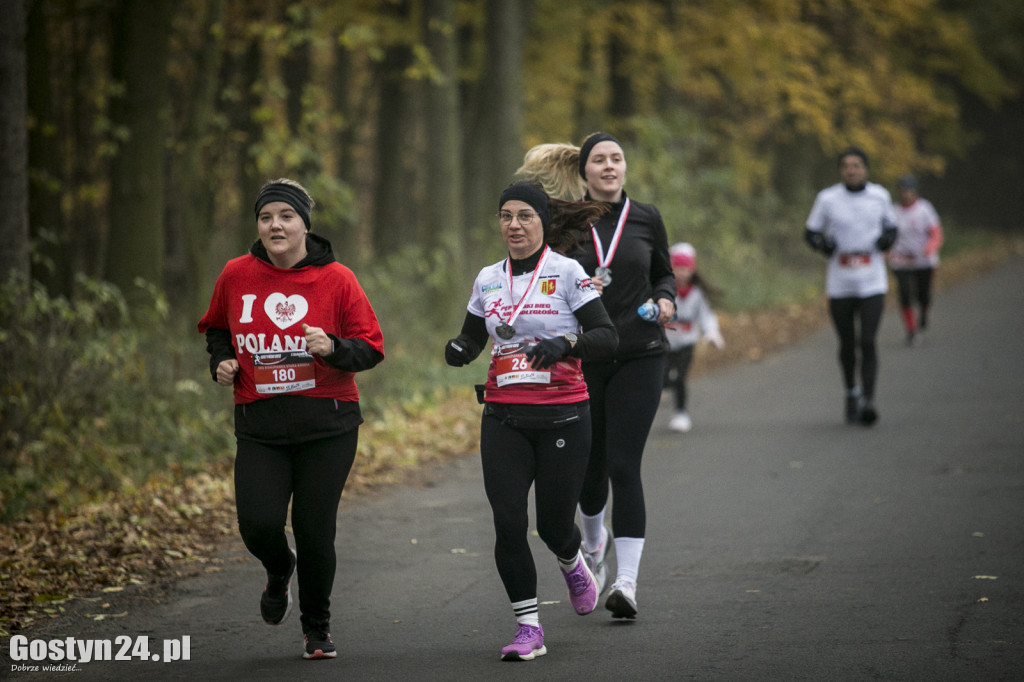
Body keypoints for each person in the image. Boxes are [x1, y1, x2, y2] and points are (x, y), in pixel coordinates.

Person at [197, 178, 384, 660]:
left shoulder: (337, 279)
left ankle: (316, 628)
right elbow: (216, 328)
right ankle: (280, 569)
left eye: (285, 216)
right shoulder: (236, 275)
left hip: (329, 425)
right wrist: (221, 361)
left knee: (314, 527)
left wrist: (334, 347)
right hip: (260, 426)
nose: (275, 225)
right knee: (257, 525)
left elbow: (371, 348)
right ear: (257, 225)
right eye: (266, 217)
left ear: (304, 224)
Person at [444, 180, 618, 661]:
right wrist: (460, 349)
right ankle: (528, 628)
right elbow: (473, 337)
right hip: (503, 418)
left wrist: (565, 344)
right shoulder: (488, 278)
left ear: (543, 222)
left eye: (524, 216)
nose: (514, 225)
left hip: (564, 417)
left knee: (555, 525)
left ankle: (572, 560)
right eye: (506, 216)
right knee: (507, 522)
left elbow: (607, 337)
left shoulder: (567, 273)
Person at [517, 133, 676, 620]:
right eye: (599, 160)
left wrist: (667, 299)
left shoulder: (647, 218)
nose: (609, 166)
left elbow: (664, 274)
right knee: (591, 474)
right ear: (584, 171)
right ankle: (593, 541)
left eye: (617, 159)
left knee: (625, 466)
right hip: (583, 359)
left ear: (625, 168)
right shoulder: (564, 222)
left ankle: (626, 583)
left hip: (641, 353)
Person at [804, 147, 898, 426]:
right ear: (840, 170)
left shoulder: (879, 196)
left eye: (857, 165)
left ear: (866, 169)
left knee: (867, 340)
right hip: (840, 278)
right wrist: (823, 245)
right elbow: (810, 233)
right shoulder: (828, 198)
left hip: (871, 277)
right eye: (846, 165)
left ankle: (869, 399)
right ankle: (851, 392)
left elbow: (891, 227)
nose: (851, 170)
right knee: (847, 343)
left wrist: (887, 240)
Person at [663, 243, 724, 433]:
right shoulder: (664, 291)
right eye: (678, 268)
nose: (682, 273)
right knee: (662, 380)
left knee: (681, 377)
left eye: (686, 268)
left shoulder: (697, 294)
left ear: (692, 270)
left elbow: (706, 316)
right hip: (664, 344)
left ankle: (681, 413)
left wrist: (712, 333)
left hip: (686, 343)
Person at [890, 174, 944, 345]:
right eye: (903, 191)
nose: (906, 195)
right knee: (905, 293)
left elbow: (936, 233)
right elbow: (887, 236)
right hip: (901, 259)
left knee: (923, 294)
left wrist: (929, 248)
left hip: (923, 259)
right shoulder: (893, 211)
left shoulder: (924, 209)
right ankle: (911, 330)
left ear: (915, 192)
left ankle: (924, 311)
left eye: (909, 191)